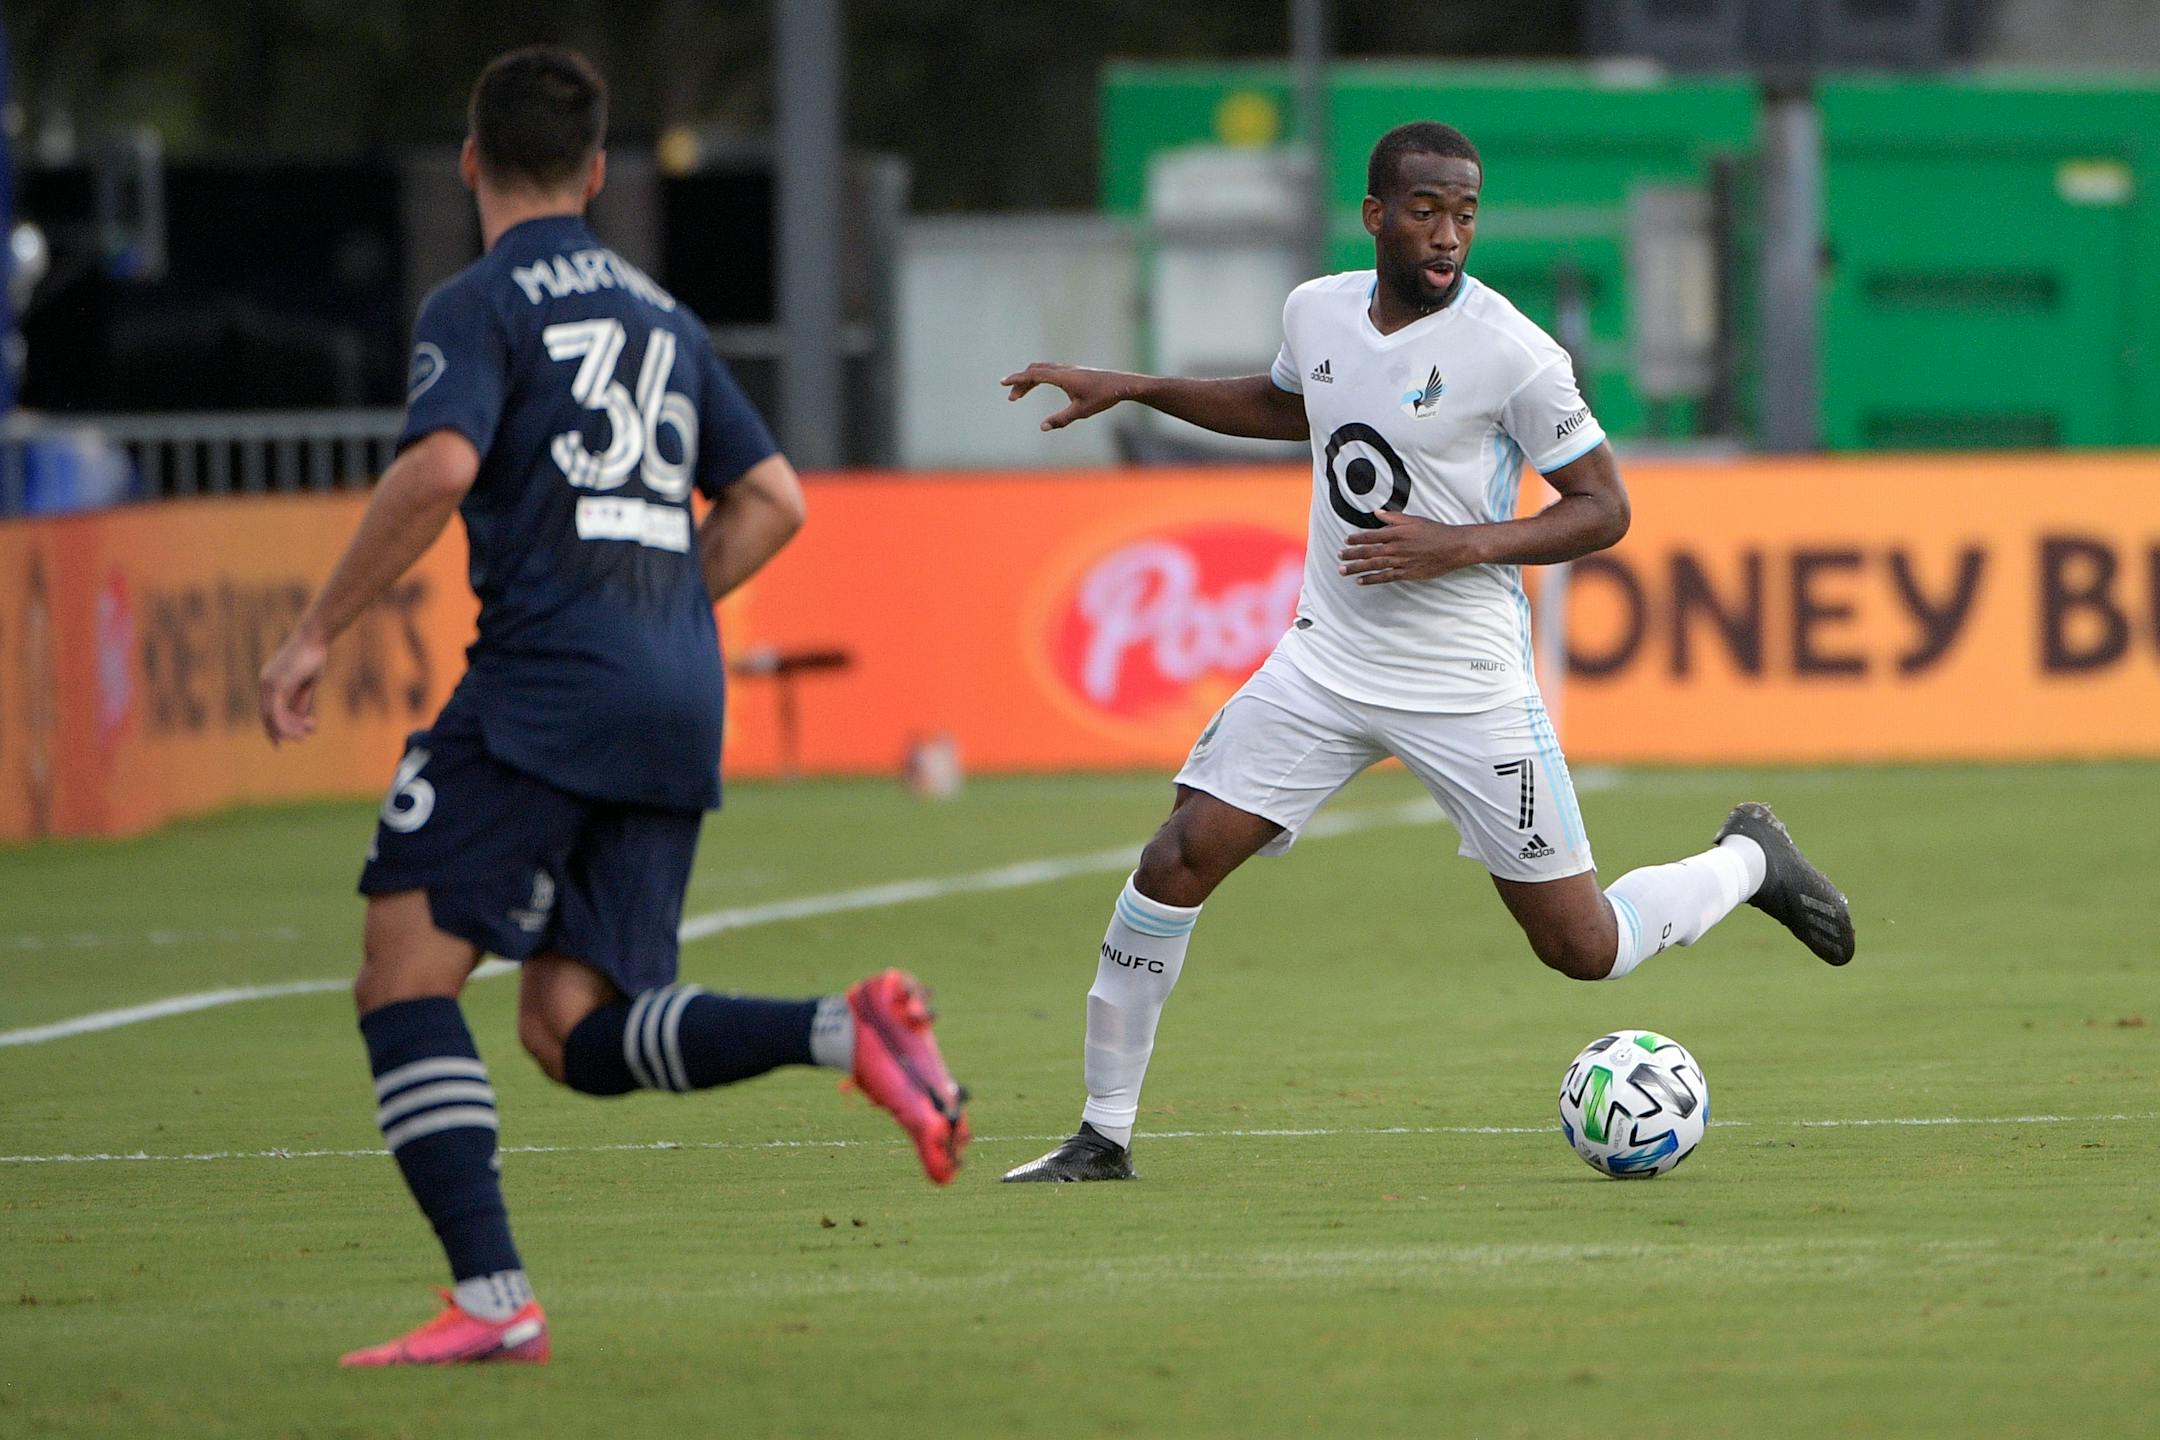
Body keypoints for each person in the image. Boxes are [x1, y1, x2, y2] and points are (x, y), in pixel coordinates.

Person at [258, 46, 968, 1364]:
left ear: (473, 160)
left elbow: (439, 464)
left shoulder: (477, 302)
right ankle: (842, 1028)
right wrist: (664, 612)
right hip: (673, 693)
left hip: (545, 686)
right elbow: (776, 501)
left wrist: (314, 633)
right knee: (568, 1027)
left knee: (402, 976)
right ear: (594, 174)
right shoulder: (664, 316)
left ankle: (490, 1299)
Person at [998, 120, 1853, 1184]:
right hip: (1325, 662)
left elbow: (1604, 509)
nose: (1449, 234)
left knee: (1583, 949)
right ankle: (1102, 1134)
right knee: (1174, 861)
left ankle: (1747, 860)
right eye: (1426, 210)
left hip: (1465, 686)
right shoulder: (1316, 309)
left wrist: (1463, 544)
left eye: (1465, 213)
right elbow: (1287, 404)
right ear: (1375, 216)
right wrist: (1136, 386)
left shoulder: (1514, 354)